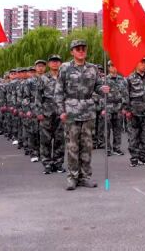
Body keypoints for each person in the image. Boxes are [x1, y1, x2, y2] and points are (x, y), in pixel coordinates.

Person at [54, 40, 109, 191]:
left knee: (87, 146)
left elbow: (97, 86)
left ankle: (85, 177)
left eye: (83, 49)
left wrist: (102, 88)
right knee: (72, 145)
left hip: (88, 111)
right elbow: (58, 91)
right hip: (71, 111)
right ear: (72, 52)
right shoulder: (65, 68)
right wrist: (61, 111)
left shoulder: (92, 68)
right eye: (77, 49)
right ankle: (72, 177)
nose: (81, 51)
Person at [124, 57, 145, 167]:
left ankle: (143, 157)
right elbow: (126, 95)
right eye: (141, 62)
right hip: (134, 112)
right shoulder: (130, 78)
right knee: (133, 136)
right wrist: (127, 110)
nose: (144, 64)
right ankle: (134, 158)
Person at [39, 55, 65, 174]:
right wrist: (38, 112)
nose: (55, 64)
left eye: (57, 61)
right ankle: (47, 164)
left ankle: (58, 163)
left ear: (61, 63)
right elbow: (37, 97)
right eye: (52, 62)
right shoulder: (43, 78)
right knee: (46, 140)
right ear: (49, 64)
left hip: (61, 113)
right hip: (47, 112)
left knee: (60, 139)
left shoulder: (64, 77)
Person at [100, 61, 128, 157]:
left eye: (115, 65)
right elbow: (100, 95)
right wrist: (102, 108)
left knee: (118, 129)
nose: (114, 67)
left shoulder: (122, 80)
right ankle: (107, 148)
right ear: (108, 67)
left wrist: (125, 107)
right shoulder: (103, 80)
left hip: (119, 108)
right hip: (107, 107)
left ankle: (117, 148)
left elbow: (125, 94)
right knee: (106, 130)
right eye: (111, 66)